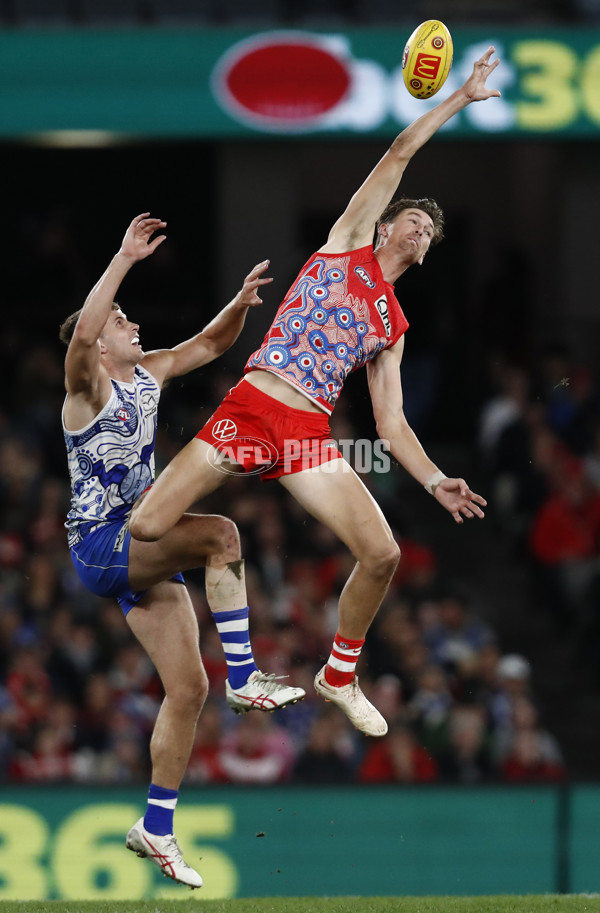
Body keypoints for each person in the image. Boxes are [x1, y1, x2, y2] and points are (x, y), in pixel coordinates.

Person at [130, 50, 500, 740]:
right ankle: (205, 564)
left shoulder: (395, 323)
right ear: (385, 226)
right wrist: (458, 100)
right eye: (413, 221)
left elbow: (390, 422)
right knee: (146, 530)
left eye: (430, 233)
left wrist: (435, 478)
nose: (421, 230)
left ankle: (340, 673)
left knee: (383, 552)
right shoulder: (347, 242)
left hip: (306, 435)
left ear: (425, 255)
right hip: (249, 409)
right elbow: (398, 150)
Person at [59, 213, 305, 889]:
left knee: (188, 687)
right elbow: (85, 329)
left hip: (142, 544)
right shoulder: (86, 390)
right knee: (222, 533)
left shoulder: (148, 372)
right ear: (101, 345)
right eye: (121, 322)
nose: (130, 325)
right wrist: (122, 258)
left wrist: (241, 303)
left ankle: (156, 828)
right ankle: (249, 674)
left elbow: (208, 343)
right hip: (104, 544)